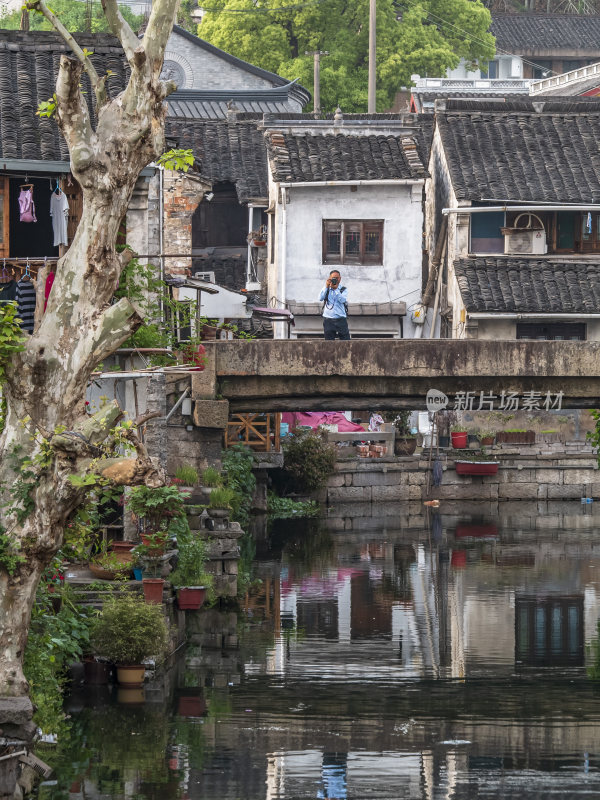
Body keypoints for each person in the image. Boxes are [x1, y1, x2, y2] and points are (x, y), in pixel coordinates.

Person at [319, 270, 350, 340]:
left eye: (337, 278)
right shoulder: (326, 288)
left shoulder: (343, 289)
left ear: (340, 278)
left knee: (345, 341)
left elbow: (342, 300)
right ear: (329, 278)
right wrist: (326, 287)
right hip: (328, 319)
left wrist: (336, 290)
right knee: (329, 343)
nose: (335, 279)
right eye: (333, 278)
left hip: (340, 318)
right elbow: (320, 298)